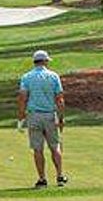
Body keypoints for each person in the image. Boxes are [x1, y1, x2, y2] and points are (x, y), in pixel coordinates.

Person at [17, 48, 66, 188]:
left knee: (37, 149)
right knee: (55, 146)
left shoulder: (26, 77)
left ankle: (42, 179)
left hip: (33, 115)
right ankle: (60, 176)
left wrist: (21, 115)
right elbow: (60, 99)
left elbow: (22, 97)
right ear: (45, 61)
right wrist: (61, 118)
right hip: (49, 115)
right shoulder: (53, 76)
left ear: (34, 62)